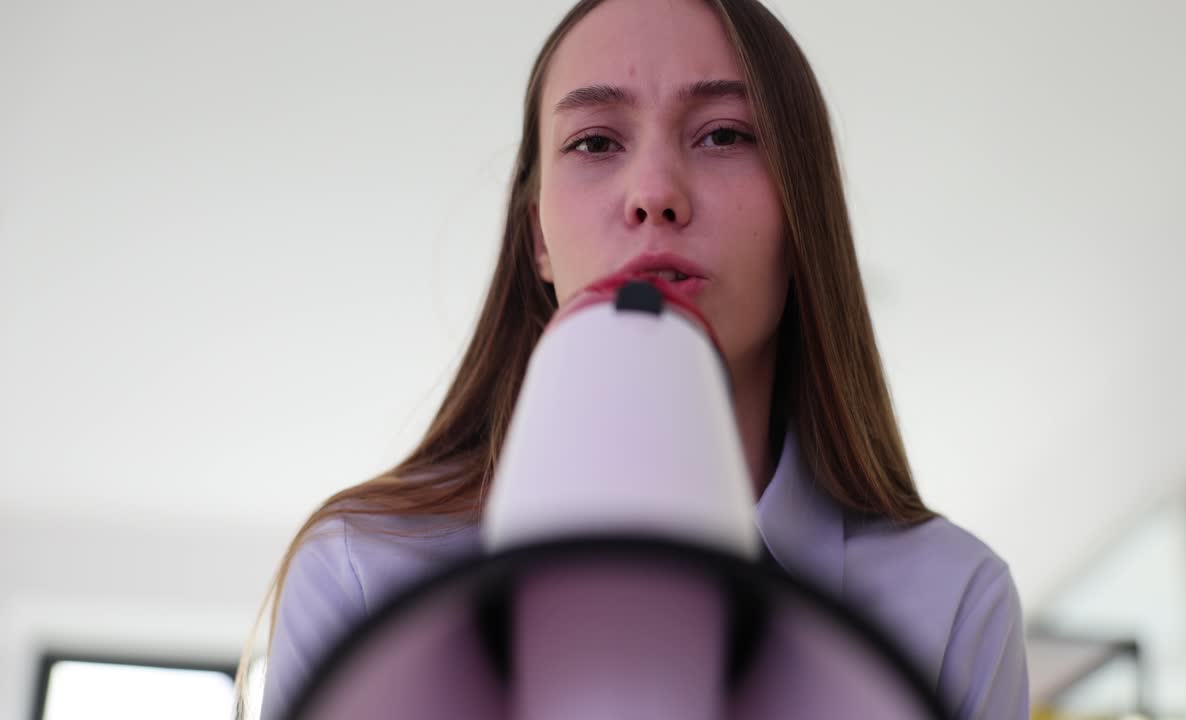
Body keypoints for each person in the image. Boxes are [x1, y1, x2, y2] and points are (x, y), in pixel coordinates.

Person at [240, 0, 1030, 717]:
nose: (654, 193)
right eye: (594, 142)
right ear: (538, 236)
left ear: (802, 210)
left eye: (724, 134)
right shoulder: (363, 571)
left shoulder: (954, 605)